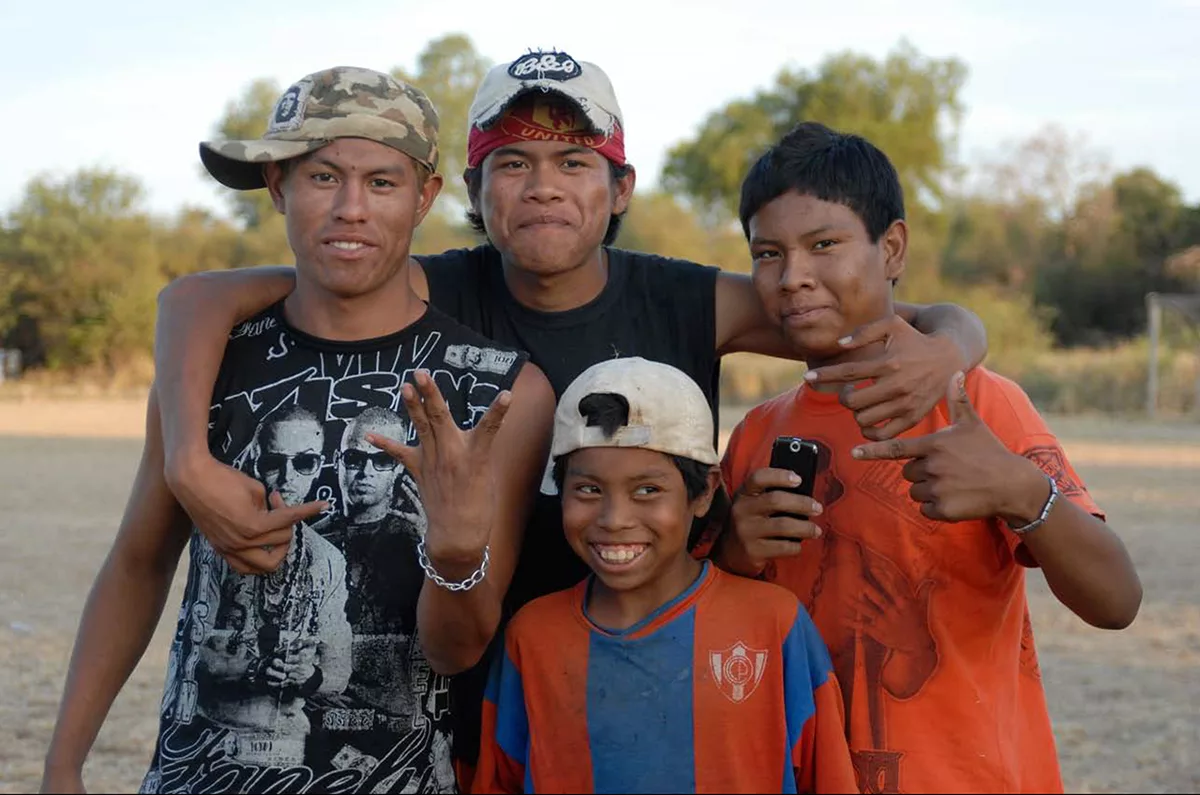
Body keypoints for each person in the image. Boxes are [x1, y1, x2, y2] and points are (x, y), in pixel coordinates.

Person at [40, 66, 554, 794]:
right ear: (278, 187)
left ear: (424, 197)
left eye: (382, 182)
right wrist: (63, 764)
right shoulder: (207, 363)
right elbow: (137, 562)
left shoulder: (498, 392)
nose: (351, 208)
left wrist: (456, 546)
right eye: (322, 177)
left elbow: (458, 649)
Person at [716, 122, 1142, 794]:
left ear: (892, 248)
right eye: (768, 253)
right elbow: (716, 640)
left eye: (823, 244)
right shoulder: (755, 435)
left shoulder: (979, 403)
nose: (794, 277)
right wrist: (732, 556)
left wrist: (1023, 494)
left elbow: (1117, 601)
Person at [474, 357, 858, 794]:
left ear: (704, 492)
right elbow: (500, 778)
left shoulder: (774, 625)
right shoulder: (533, 636)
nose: (614, 519)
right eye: (588, 490)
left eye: (647, 490)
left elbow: (826, 775)